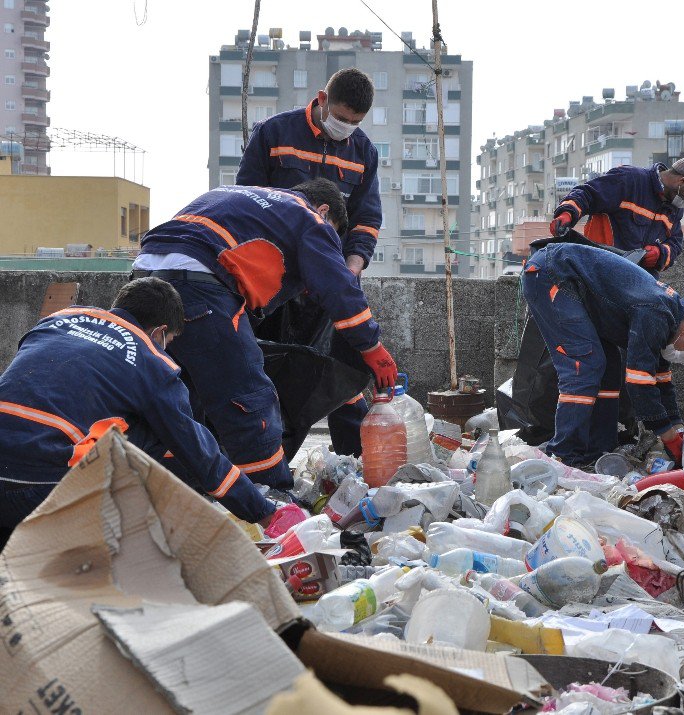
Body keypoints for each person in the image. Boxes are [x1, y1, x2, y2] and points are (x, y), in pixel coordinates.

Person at [132, 178, 397, 491]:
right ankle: (270, 503)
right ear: (324, 210)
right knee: (249, 400)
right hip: (199, 284)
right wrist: (371, 347)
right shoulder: (309, 217)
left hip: (143, 278)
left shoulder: (231, 194)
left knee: (174, 396)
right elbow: (338, 287)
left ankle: (164, 491)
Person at [0, 278, 275, 540]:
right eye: (169, 342)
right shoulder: (150, 359)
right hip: (43, 492)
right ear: (158, 332)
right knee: (164, 437)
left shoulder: (57, 321)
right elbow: (202, 456)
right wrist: (264, 513)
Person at [236, 67, 382, 456]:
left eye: (355, 123)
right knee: (269, 368)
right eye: (341, 118)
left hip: (331, 277)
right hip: (274, 280)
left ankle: (353, 462)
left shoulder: (363, 151)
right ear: (321, 100)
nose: (345, 128)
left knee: (342, 373)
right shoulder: (275, 134)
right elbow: (247, 200)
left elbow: (367, 218)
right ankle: (266, 458)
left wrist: (350, 270)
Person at [521, 243, 684, 467]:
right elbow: (639, 384)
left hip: (576, 287)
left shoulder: (671, 318)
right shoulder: (656, 313)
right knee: (584, 364)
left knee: (609, 367)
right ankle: (564, 456)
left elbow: (661, 381)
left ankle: (599, 451)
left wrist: (677, 427)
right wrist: (667, 436)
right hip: (553, 274)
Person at [549, 148, 684, 272]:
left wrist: (660, 254)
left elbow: (675, 243)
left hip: (636, 283)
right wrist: (567, 213)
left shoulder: (674, 208)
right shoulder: (629, 181)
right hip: (598, 270)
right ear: (683, 181)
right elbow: (587, 194)